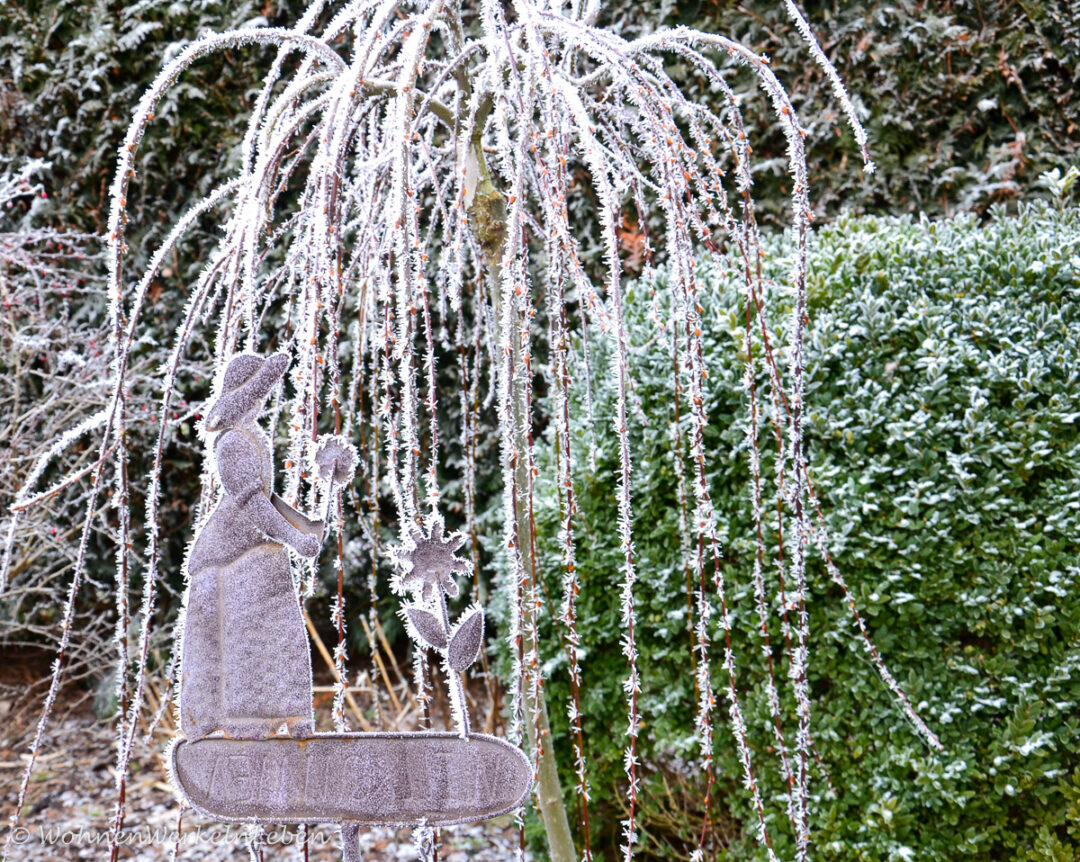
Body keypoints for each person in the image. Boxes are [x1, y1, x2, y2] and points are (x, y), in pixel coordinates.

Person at [178, 351, 348, 740]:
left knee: (275, 630)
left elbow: (267, 498)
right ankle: (245, 718)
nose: (264, 401)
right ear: (244, 396)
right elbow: (252, 503)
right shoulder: (233, 443)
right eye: (259, 392)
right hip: (228, 556)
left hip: (255, 550)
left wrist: (304, 524)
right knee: (247, 636)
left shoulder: (254, 436)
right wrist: (293, 538)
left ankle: (282, 711)